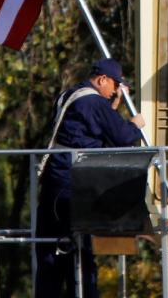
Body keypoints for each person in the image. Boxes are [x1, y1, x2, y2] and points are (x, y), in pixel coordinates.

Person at [35, 58, 146, 298]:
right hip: (72, 182)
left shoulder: (71, 95)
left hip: (55, 180)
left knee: (50, 250)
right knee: (81, 253)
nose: (116, 91)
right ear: (102, 79)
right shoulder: (94, 102)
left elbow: (87, 128)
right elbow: (122, 137)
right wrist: (135, 124)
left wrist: (112, 106)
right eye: (115, 85)